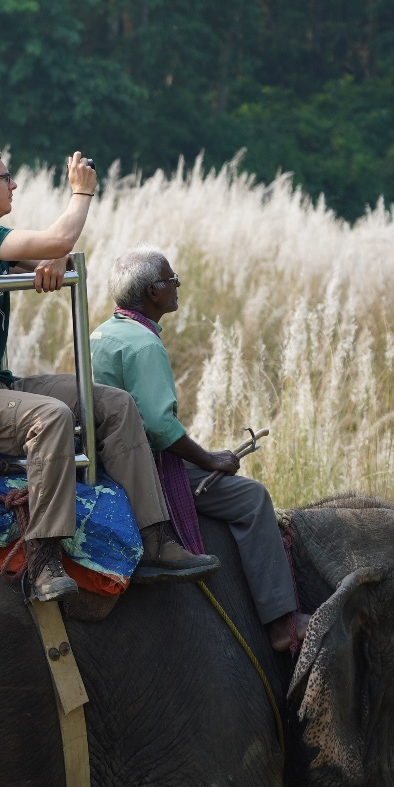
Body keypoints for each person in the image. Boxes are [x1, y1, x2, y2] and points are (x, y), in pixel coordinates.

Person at [0, 141, 220, 604]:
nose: (14, 184)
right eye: (5, 178)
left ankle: (156, 539)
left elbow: (53, 255)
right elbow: (58, 242)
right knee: (51, 416)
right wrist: (81, 194)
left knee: (114, 403)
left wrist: (52, 257)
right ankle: (44, 560)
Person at [90, 248, 304, 654]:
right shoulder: (145, 345)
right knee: (253, 499)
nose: (177, 288)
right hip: (143, 468)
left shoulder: (101, 332)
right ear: (154, 292)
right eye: (173, 281)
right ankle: (282, 623)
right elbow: (157, 426)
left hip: (106, 458)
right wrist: (210, 459)